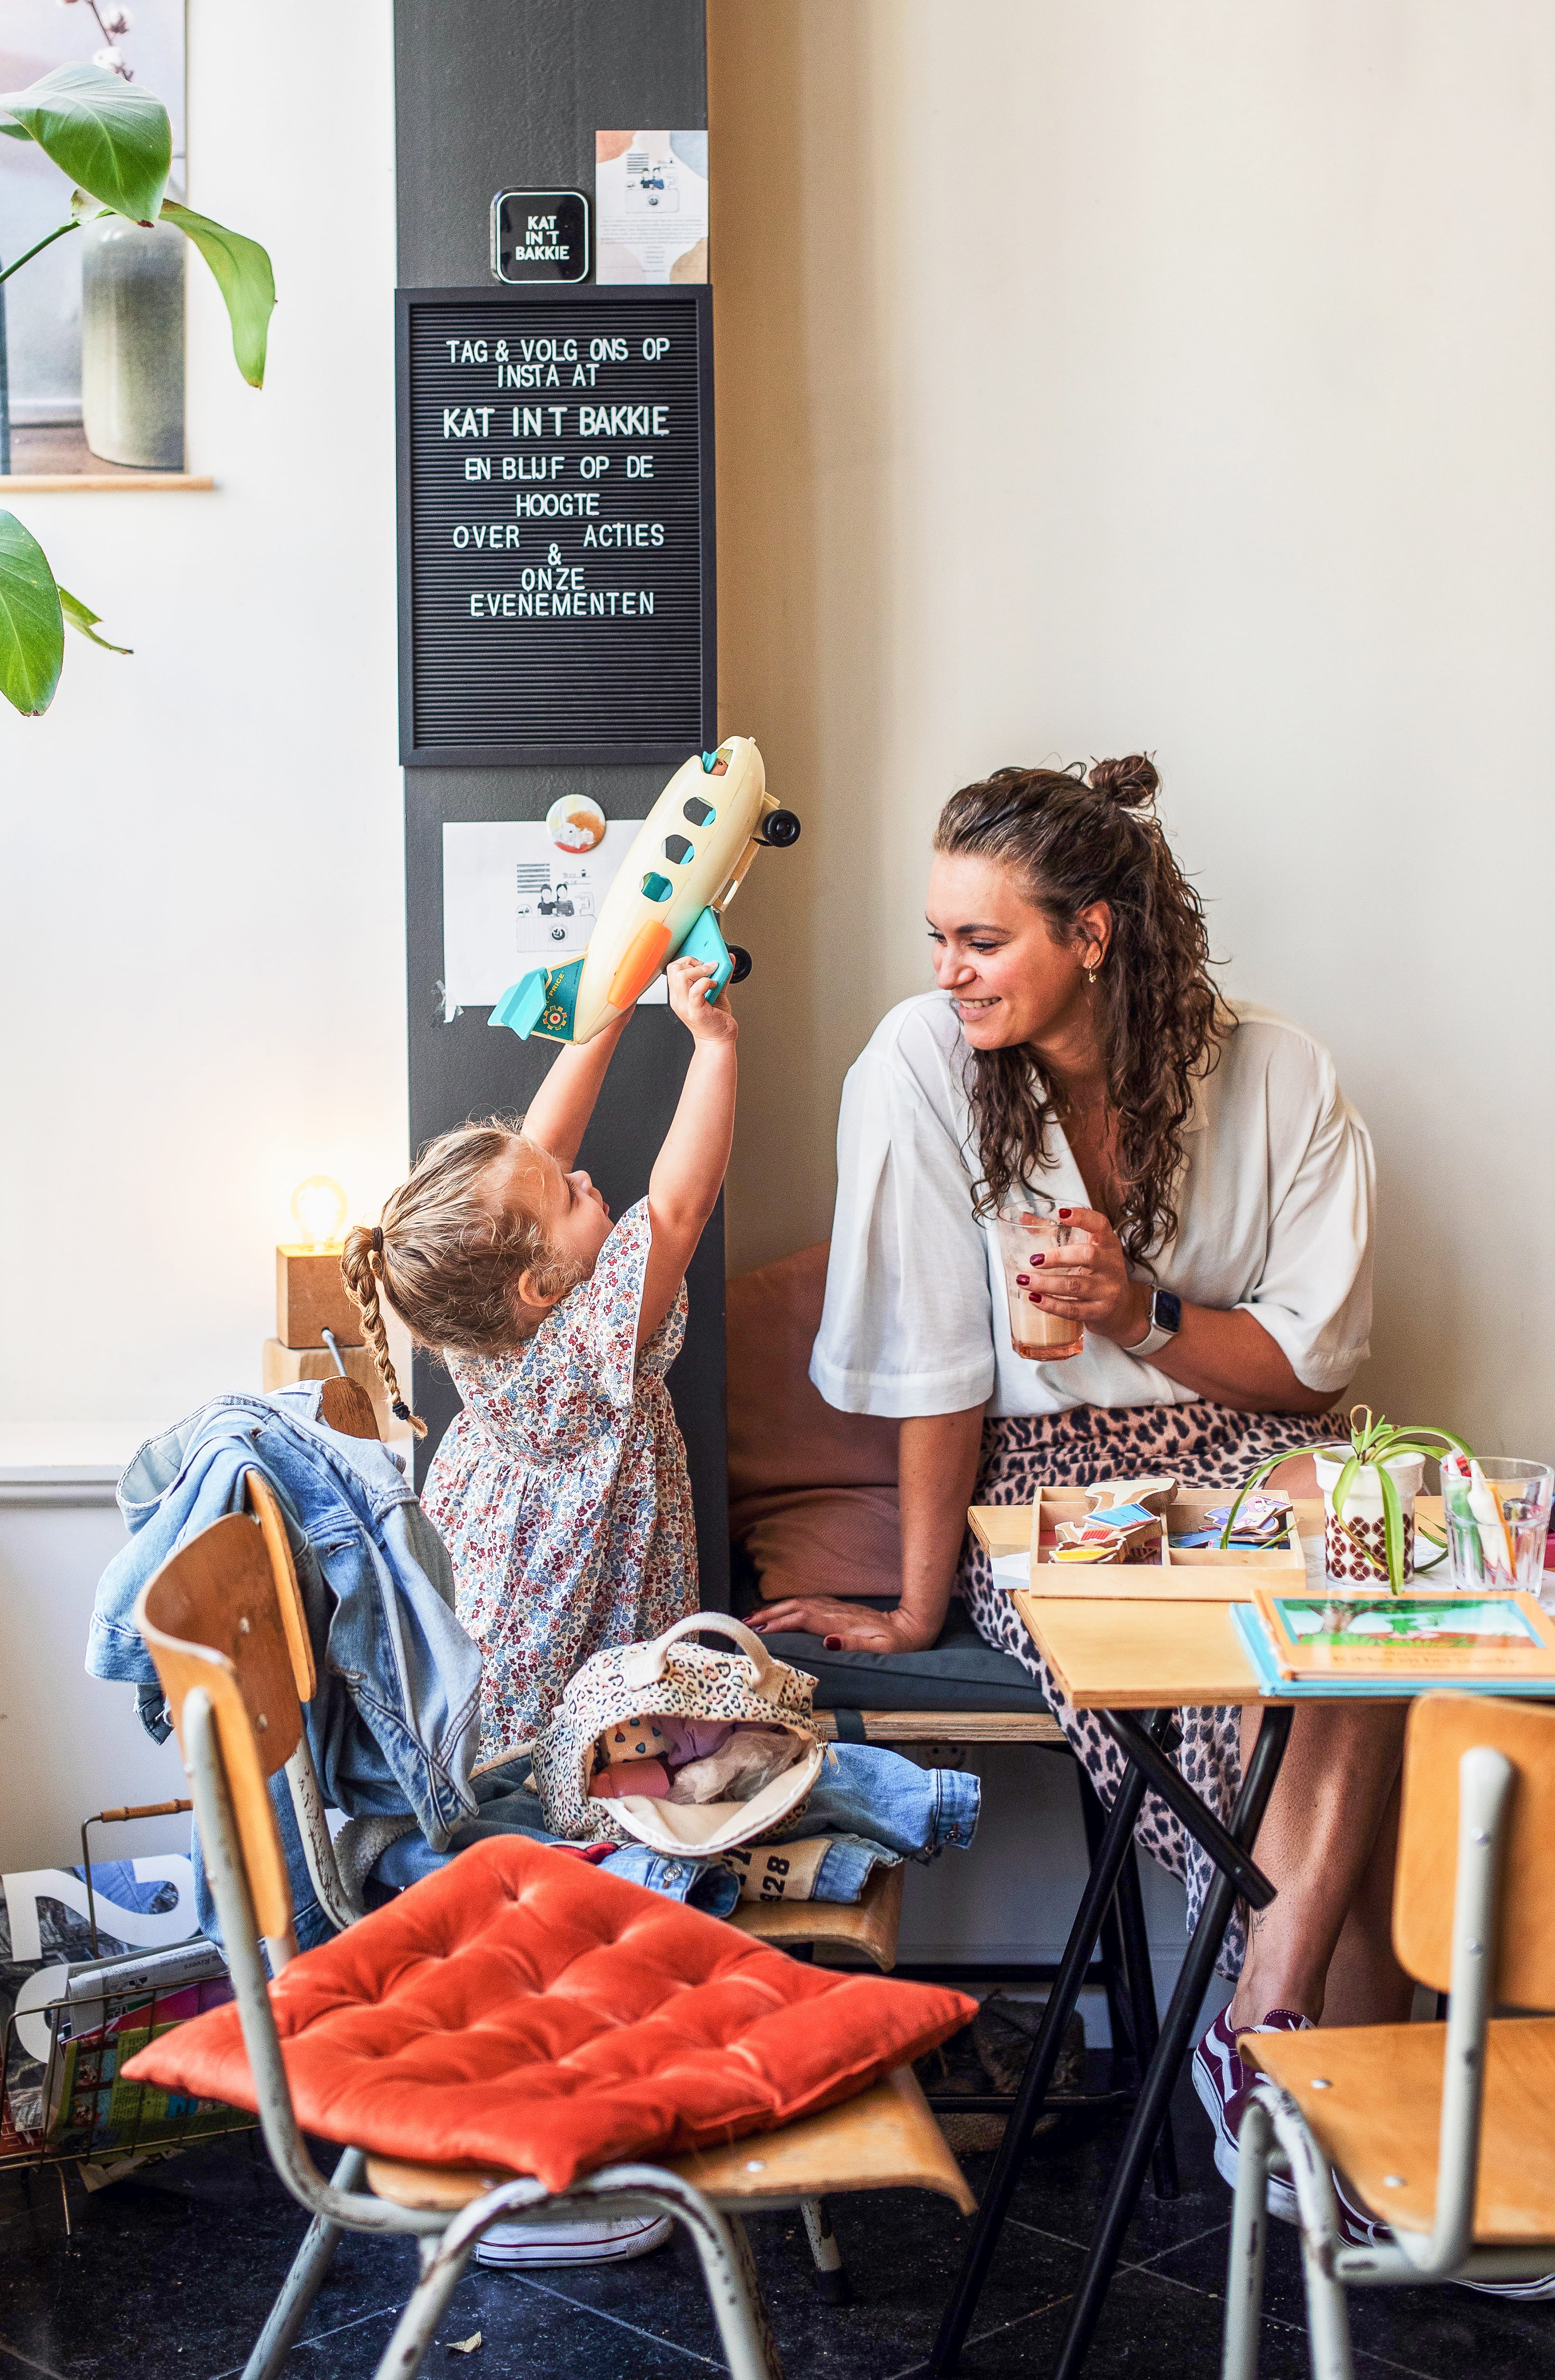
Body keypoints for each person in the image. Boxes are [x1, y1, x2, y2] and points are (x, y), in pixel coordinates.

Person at [753, 755, 1408, 2214]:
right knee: (1290, 1677)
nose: (947, 970)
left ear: (1090, 934)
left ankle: (1265, 2040)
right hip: (1057, 1489)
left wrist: (1143, 1316)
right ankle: (1342, 2119)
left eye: (978, 941)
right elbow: (938, 1370)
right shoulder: (922, 1065)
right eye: (937, 938)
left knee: (1359, 1599)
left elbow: (1307, 1375)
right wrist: (918, 1608)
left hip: (1251, 1452)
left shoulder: (1276, 1074)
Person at [343, 955, 736, 1762]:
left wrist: (611, 1014)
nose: (583, 1177)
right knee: (593, 1771)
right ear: (543, 1285)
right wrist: (713, 1046)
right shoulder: (583, 1354)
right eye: (566, 1195)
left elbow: (536, 1148)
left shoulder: (472, 1317)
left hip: (497, 1631)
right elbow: (679, 1207)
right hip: (559, 1661)